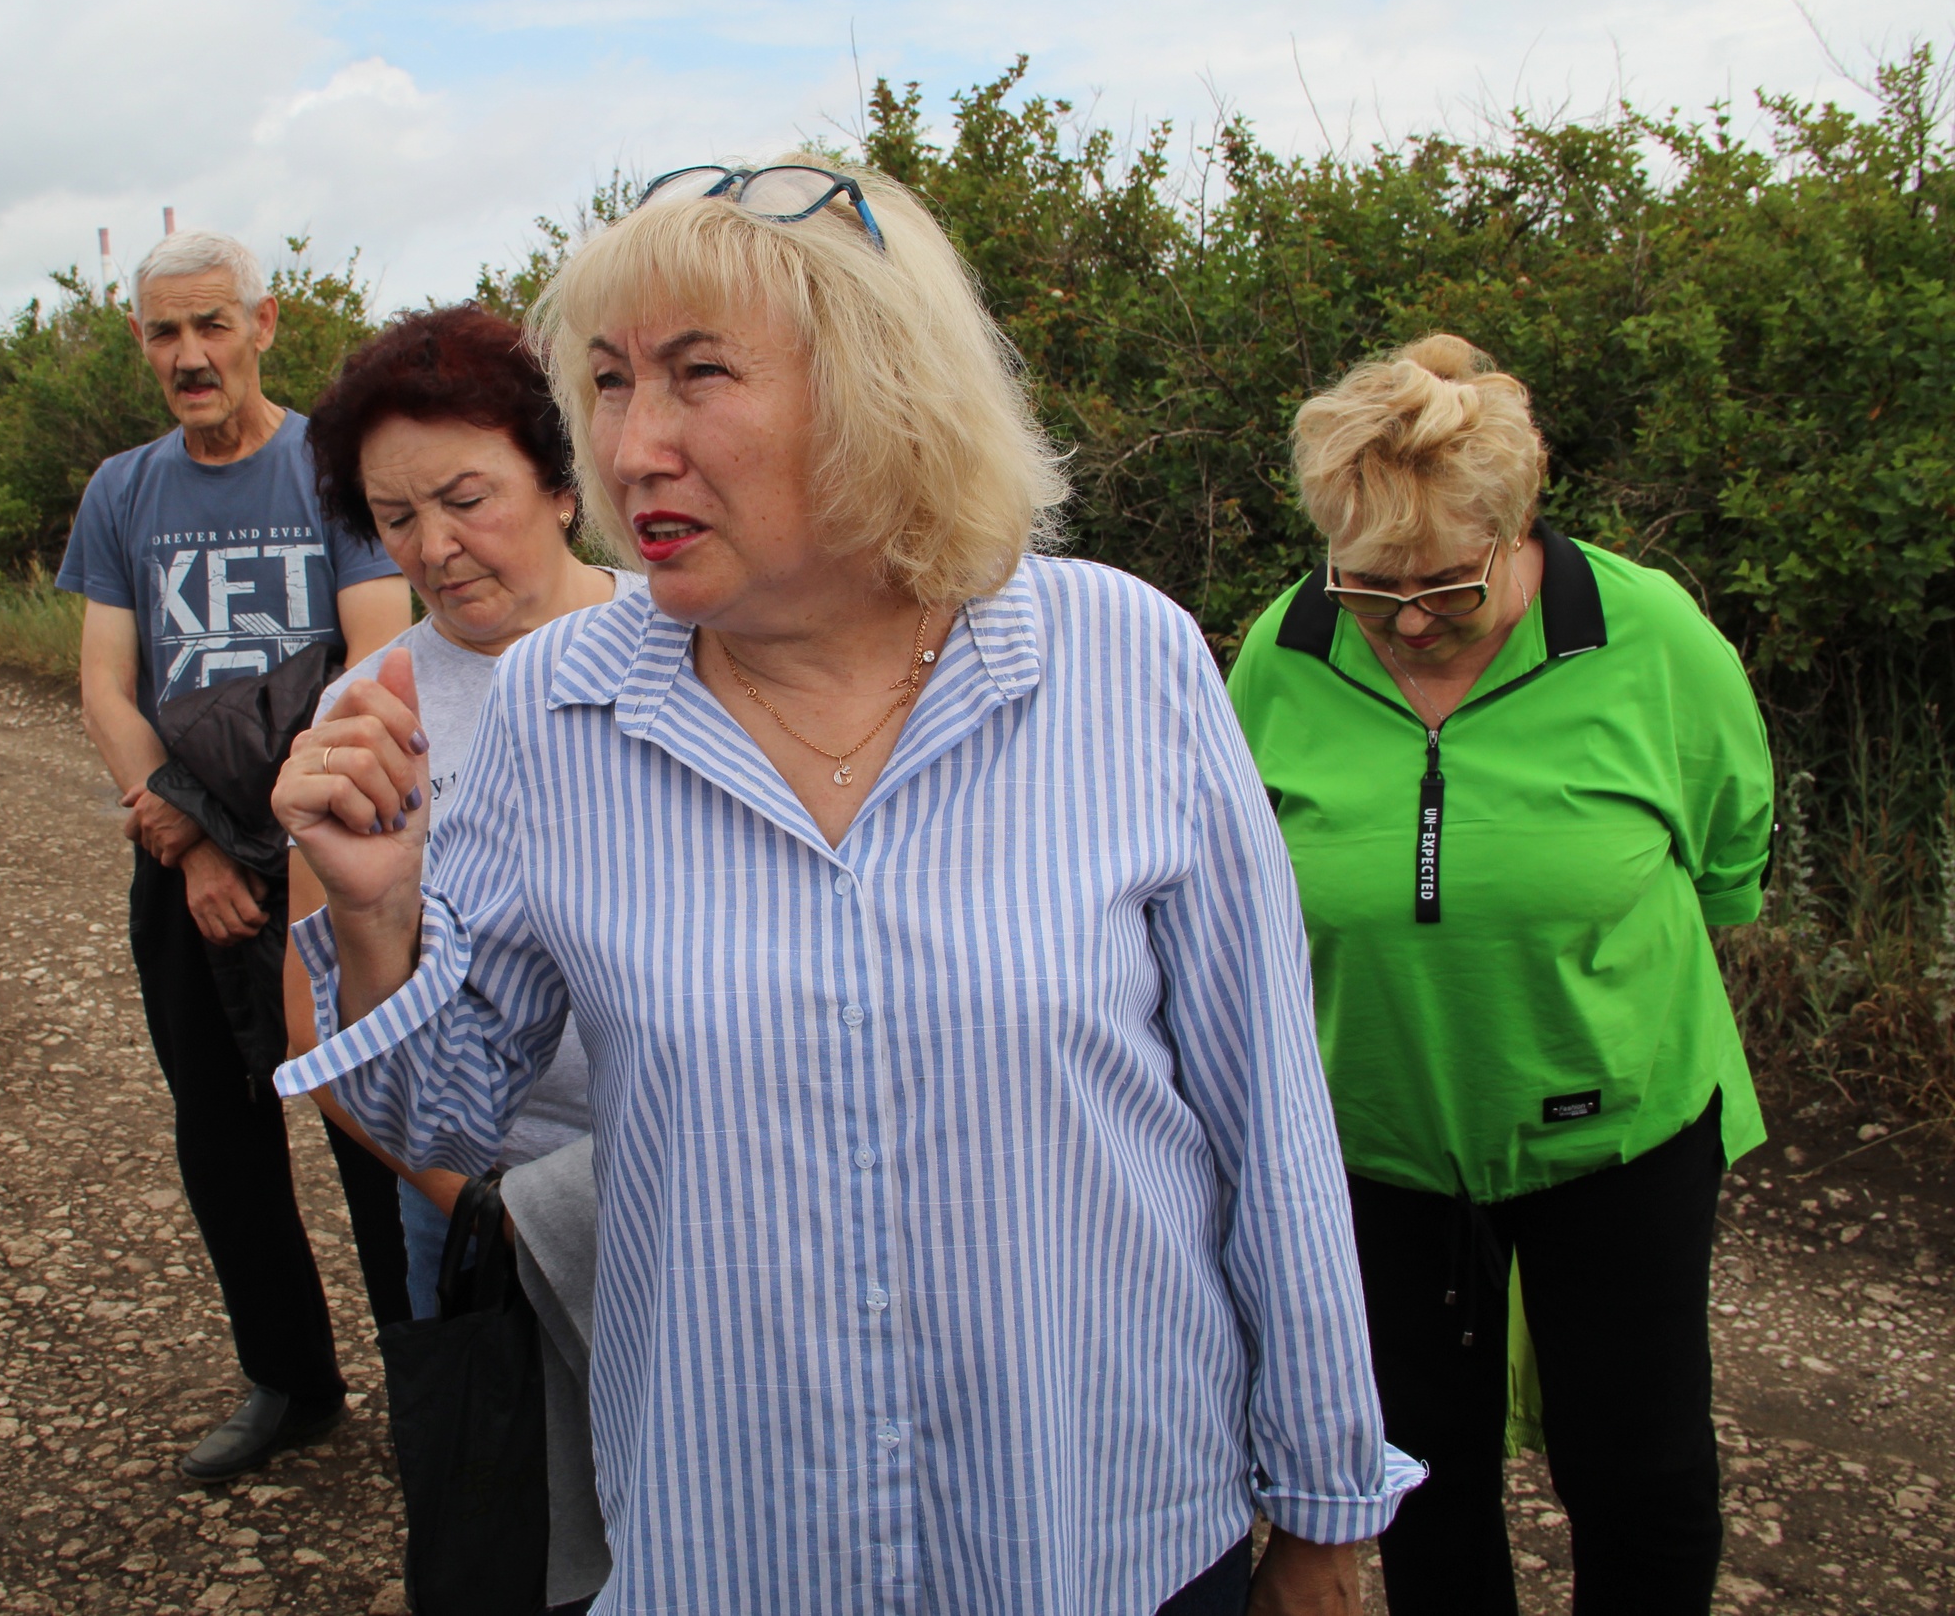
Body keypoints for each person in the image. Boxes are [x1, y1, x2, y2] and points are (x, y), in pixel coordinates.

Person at [275, 161, 1418, 1615]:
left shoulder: (1117, 659)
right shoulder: (558, 702)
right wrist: (372, 910)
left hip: (1099, 1527)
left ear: (883, 389)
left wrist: (1323, 1508)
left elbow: (1271, 1120)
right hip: (737, 1542)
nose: (635, 446)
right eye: (611, 383)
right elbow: (443, 1112)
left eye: (700, 375)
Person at [1223, 334, 1775, 1614]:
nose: (1406, 621)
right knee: (1417, 1481)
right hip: (1375, 1148)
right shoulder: (1285, 651)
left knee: (1635, 1473)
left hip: (1619, 1138)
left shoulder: (1649, 639)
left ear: (1515, 531)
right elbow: (1236, 880)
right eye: (1370, 588)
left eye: (1446, 588)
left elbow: (1727, 859)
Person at [294, 304, 637, 1613]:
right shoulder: (370, 713)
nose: (433, 547)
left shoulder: (700, 647)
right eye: (393, 517)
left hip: (700, 1179)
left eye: (466, 496)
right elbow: (316, 1012)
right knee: (520, 1539)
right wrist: (472, 1197)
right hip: (478, 1199)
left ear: (562, 480)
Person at [55, 229, 409, 1482]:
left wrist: (286, 849)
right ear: (143, 343)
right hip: (184, 854)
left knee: (375, 1119)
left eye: (212, 326)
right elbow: (106, 683)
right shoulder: (124, 490)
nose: (190, 356)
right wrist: (186, 836)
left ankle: (430, 1382)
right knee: (220, 1132)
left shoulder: (332, 470)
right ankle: (291, 1383)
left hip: (333, 855)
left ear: (263, 324)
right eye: (164, 332)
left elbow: (373, 670)